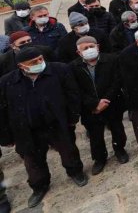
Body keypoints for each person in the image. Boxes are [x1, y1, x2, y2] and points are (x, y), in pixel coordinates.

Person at [0, 47, 88, 208]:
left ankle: (75, 172)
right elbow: (3, 109)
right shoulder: (7, 82)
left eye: (41, 59)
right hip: (27, 129)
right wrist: (6, 136)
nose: (40, 63)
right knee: (33, 161)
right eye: (33, 62)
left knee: (69, 151)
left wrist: (73, 117)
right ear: (21, 66)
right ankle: (39, 186)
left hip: (57, 124)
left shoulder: (60, 70)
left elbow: (72, 95)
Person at [70, 37, 128, 175]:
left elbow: (117, 81)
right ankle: (100, 158)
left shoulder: (112, 60)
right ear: (79, 52)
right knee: (95, 135)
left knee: (117, 128)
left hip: (112, 103)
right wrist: (94, 104)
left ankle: (120, 150)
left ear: (98, 46)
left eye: (91, 46)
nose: (89, 49)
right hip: (90, 109)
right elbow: (75, 90)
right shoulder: (73, 67)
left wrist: (106, 99)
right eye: (85, 48)